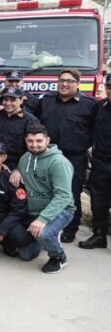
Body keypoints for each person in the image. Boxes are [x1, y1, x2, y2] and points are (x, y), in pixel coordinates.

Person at [31, 69, 97, 243]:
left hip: (74, 157)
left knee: (71, 193)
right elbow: (28, 114)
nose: (64, 84)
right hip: (47, 156)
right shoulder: (46, 101)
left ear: (78, 84)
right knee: (45, 190)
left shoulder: (90, 104)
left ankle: (70, 228)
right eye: (61, 81)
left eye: (69, 81)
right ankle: (47, 222)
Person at [10, 125, 74, 273]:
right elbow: (20, 170)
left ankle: (59, 257)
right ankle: (43, 238)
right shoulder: (25, 158)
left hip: (61, 210)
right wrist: (16, 171)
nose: (34, 145)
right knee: (25, 255)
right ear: (25, 141)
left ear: (48, 140)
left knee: (45, 233)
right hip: (32, 212)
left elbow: (64, 196)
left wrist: (42, 219)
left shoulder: (59, 163)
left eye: (39, 141)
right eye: (30, 141)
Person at [80, 74, 111, 249]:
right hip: (100, 162)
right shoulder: (100, 107)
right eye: (109, 87)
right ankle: (99, 235)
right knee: (98, 201)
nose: (110, 90)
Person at [0, 86, 40, 169]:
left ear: (21, 100)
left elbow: (33, 149)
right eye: (5, 99)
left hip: (17, 167)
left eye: (12, 100)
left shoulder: (30, 121)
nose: (8, 103)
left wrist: (18, 170)